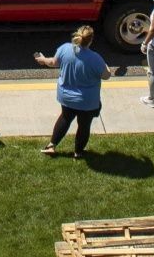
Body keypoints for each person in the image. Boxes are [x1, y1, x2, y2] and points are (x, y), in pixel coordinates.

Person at [36, 25, 113, 158]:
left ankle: (51, 145)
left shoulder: (65, 48)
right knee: (84, 125)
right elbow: (106, 76)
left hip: (66, 97)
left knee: (65, 118)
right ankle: (78, 152)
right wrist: (106, 67)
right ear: (91, 40)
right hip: (87, 101)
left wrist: (42, 60)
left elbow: (52, 62)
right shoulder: (95, 58)